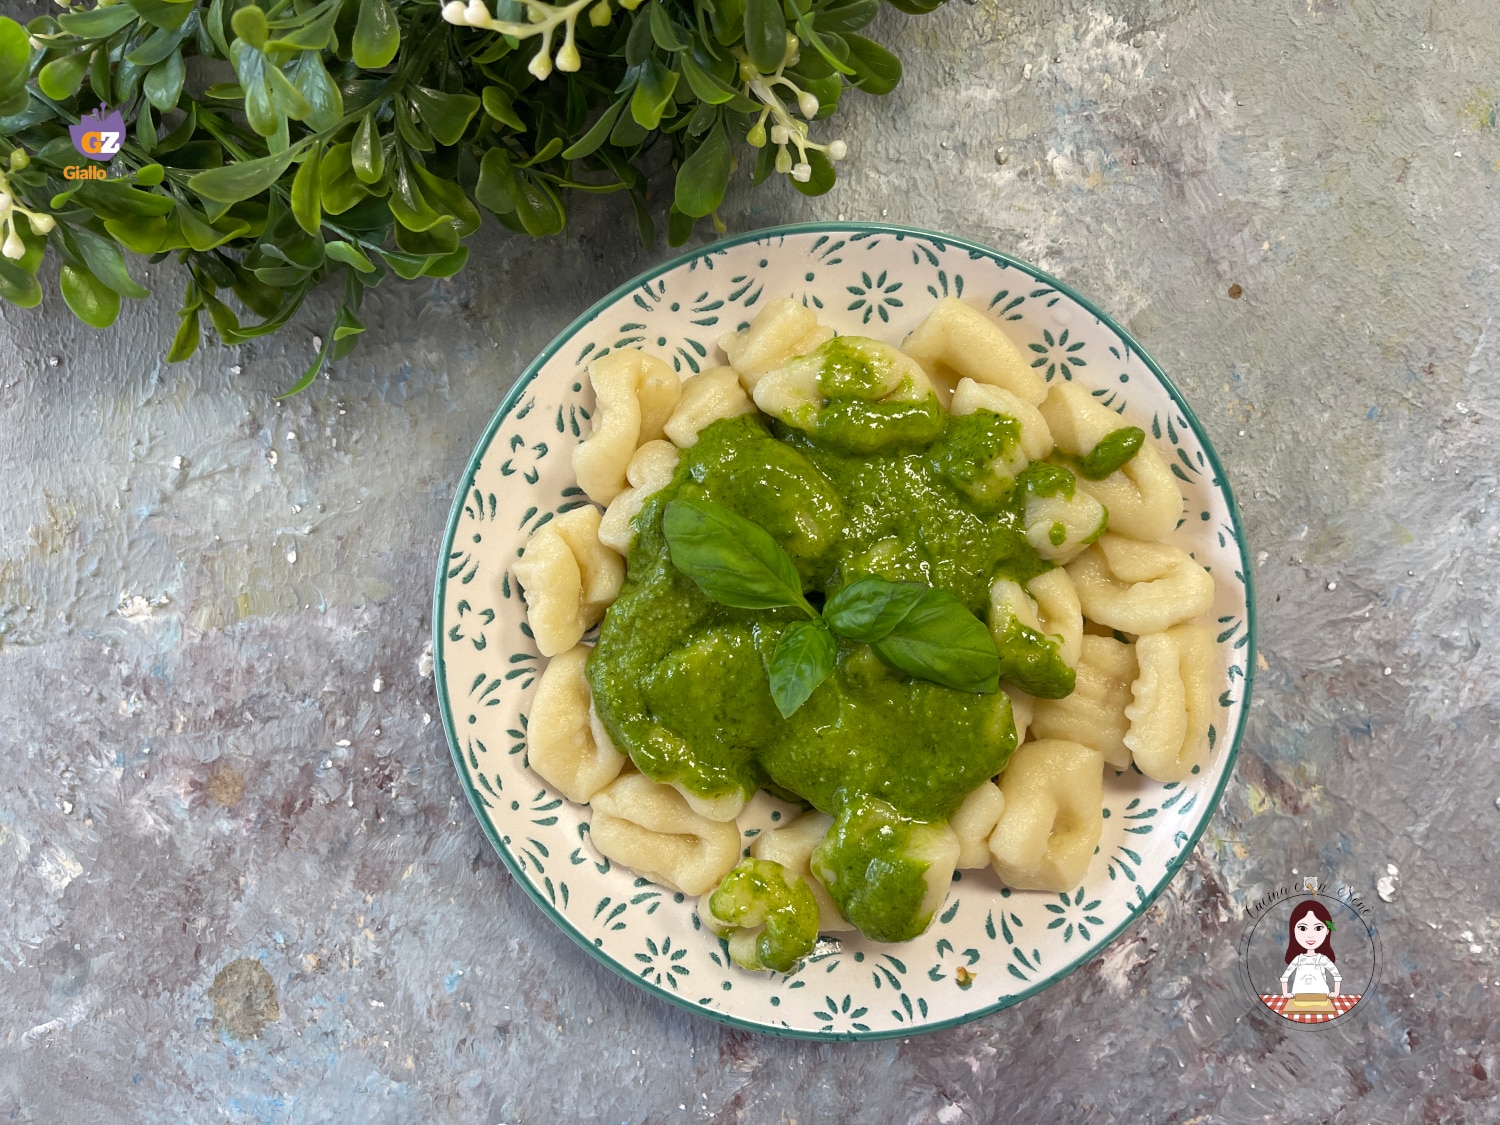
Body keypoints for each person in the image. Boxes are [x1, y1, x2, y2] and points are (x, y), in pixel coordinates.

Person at [1279, 899, 1341, 1014]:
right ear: (1294, 931)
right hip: (1299, 997)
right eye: (1302, 928)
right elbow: (1285, 976)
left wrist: (1335, 992)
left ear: (1327, 931)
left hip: (1321, 997)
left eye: (1318, 928)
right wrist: (1286, 993)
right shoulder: (1298, 959)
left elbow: (1336, 974)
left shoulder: (1322, 959)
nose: (1311, 935)